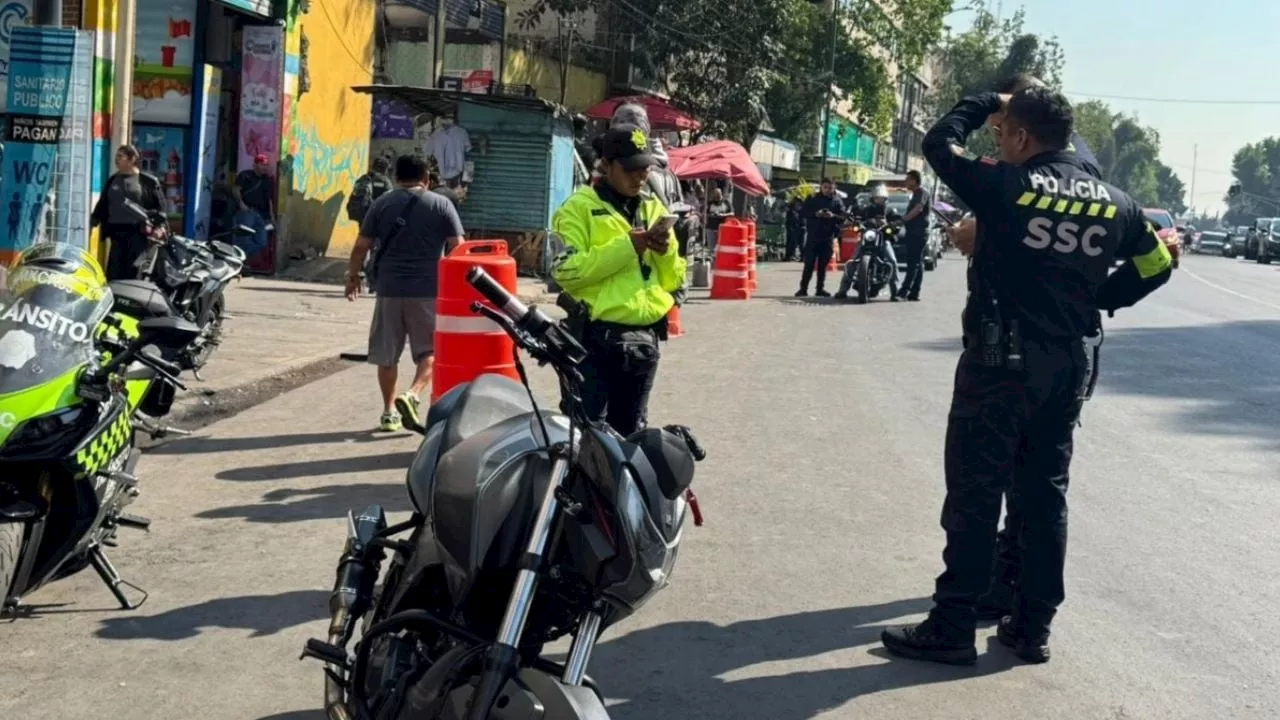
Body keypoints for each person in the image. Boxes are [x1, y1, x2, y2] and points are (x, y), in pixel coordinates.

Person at [880, 86, 1173, 666]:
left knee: (975, 495)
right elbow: (1159, 262)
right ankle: (1032, 627)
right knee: (1044, 499)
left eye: (1003, 131)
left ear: (1020, 136)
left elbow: (938, 143)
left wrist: (982, 98)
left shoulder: (1005, 185)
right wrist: (1099, 297)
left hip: (998, 367)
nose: (1000, 141)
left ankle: (953, 623)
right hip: (1066, 367)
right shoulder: (1117, 201)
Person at [973, 71, 1107, 622]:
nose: (999, 139)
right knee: (1033, 481)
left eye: (1003, 127)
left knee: (1016, 480)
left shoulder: (1070, 166)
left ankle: (1002, 586)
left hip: (1032, 341)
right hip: (1062, 342)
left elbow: (1046, 239)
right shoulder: (1073, 156)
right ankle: (1021, 601)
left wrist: (981, 236)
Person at [550, 125, 686, 436]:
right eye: (630, 169)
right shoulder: (578, 208)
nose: (639, 177)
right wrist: (628, 246)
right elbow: (566, 272)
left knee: (630, 435)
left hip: (642, 343)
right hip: (592, 341)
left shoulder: (654, 208)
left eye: (645, 169)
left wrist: (664, 253)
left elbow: (673, 279)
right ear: (607, 165)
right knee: (586, 435)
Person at [344, 154, 464, 432]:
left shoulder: (381, 203)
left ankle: (388, 412)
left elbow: (361, 246)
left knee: (387, 354)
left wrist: (353, 277)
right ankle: (412, 394)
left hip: (388, 290)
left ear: (397, 177)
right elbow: (458, 247)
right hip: (428, 290)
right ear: (427, 179)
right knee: (431, 352)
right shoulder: (440, 204)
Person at [90, 145, 167, 280]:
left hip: (138, 233)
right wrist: (93, 221)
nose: (116, 159)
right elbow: (103, 204)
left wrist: (159, 226)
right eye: (116, 156)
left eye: (120, 156)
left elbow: (161, 209)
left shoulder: (147, 181)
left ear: (132, 159)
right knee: (114, 270)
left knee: (133, 270)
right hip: (117, 233)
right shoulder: (113, 180)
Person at [835, 183, 900, 300]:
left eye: (881, 198)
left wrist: (892, 226)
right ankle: (842, 290)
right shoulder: (866, 210)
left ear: (885, 199)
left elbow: (896, 221)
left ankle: (895, 292)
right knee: (852, 262)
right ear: (872, 198)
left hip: (883, 240)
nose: (879, 200)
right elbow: (856, 217)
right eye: (876, 198)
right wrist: (855, 221)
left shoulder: (889, 211)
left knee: (892, 261)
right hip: (866, 239)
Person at [795, 178, 844, 297]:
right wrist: (816, 214)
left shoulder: (837, 201)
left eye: (830, 188)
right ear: (821, 187)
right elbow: (802, 213)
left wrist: (833, 216)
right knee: (809, 264)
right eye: (825, 187)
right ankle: (803, 288)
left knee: (823, 265)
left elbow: (843, 217)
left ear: (834, 188)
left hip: (828, 237)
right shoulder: (812, 199)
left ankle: (820, 289)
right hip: (813, 236)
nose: (828, 190)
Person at [897, 170, 932, 301]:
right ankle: (914, 293)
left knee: (913, 263)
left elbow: (918, 208)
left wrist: (904, 219)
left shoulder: (921, 193)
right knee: (918, 263)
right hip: (914, 232)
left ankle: (903, 292)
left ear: (914, 180)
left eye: (908, 179)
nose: (906, 182)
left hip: (918, 233)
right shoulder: (915, 194)